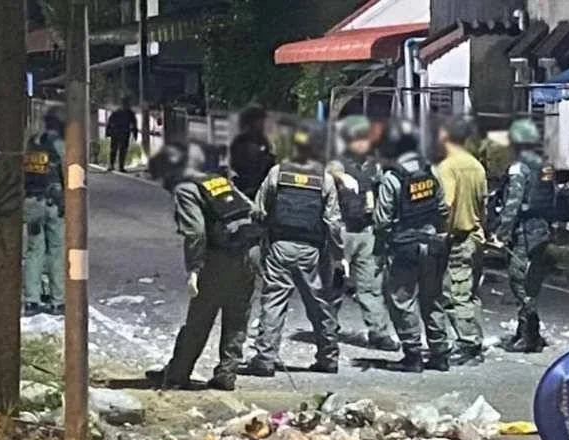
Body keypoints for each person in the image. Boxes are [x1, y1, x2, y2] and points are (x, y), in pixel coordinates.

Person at [146, 141, 262, 391]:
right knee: (237, 317)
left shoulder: (186, 189)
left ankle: (177, 375)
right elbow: (253, 210)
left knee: (199, 320)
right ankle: (227, 373)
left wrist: (194, 269)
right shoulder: (220, 182)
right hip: (250, 254)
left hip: (220, 260)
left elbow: (195, 232)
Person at [243, 124, 343, 377]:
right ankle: (329, 358)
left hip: (280, 247)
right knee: (319, 303)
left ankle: (265, 359)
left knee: (274, 301)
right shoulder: (324, 179)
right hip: (312, 251)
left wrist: (260, 238)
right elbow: (332, 221)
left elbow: (259, 210)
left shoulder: (278, 173)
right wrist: (338, 253)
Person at [374, 118, 452, 373]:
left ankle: (413, 354)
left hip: (405, 249)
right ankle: (440, 353)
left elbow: (382, 220)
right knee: (433, 299)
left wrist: (384, 244)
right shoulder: (431, 171)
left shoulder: (392, 178)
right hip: (433, 245)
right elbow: (442, 209)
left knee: (403, 300)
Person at [327, 116, 398, 352]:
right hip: (343, 231)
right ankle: (327, 330)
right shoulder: (338, 162)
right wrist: (341, 177)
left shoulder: (373, 165)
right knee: (334, 284)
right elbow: (331, 171)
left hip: (367, 231)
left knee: (371, 286)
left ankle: (379, 333)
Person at [496, 118, 554, 353]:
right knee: (532, 284)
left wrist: (502, 233)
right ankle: (525, 333)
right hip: (542, 230)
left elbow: (512, 204)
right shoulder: (544, 166)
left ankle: (530, 336)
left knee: (520, 283)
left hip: (524, 233)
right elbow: (552, 199)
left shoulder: (519, 168)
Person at [436, 116, 488, 367]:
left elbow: (446, 205)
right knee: (471, 293)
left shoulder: (447, 167)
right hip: (476, 237)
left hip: (458, 239)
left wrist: (440, 235)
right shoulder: (477, 166)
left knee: (457, 295)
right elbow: (483, 205)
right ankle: (475, 339)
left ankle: (468, 344)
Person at [22, 107, 65, 316]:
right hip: (53, 203)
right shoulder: (59, 144)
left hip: (31, 202)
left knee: (34, 250)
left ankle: (32, 300)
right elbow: (69, 172)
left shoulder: (31, 143)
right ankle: (58, 300)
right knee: (56, 249)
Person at [229, 105, 276, 199]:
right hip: (247, 188)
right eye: (259, 120)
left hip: (261, 186)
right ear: (251, 121)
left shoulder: (262, 140)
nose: (262, 124)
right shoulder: (242, 141)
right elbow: (240, 166)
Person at [106, 97, 138, 172]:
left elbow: (109, 122)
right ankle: (117, 166)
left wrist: (108, 132)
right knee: (119, 150)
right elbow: (134, 124)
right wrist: (135, 134)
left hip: (119, 132)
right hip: (121, 132)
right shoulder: (128, 112)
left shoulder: (119, 112)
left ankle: (115, 166)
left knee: (117, 150)